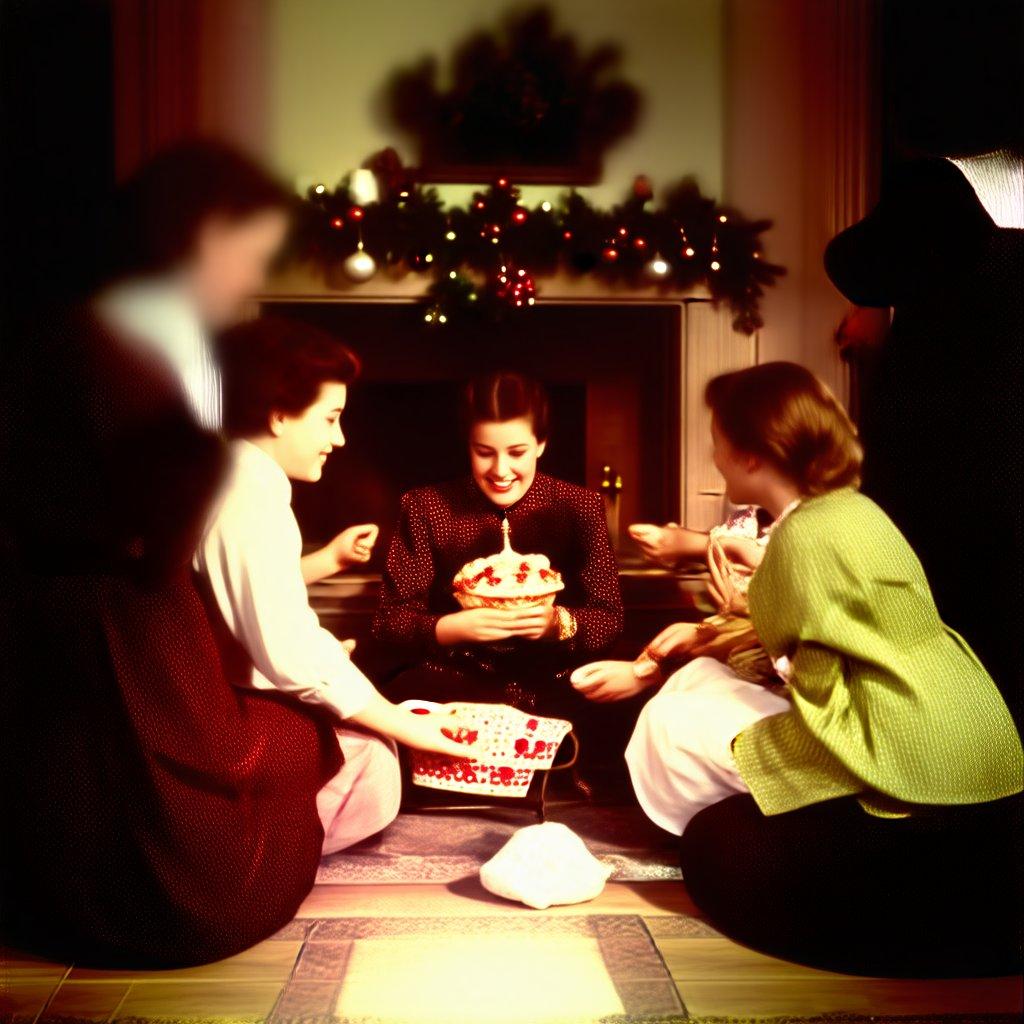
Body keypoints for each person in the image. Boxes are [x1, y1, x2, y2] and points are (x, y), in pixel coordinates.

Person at [0, 141, 343, 967]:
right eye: (248, 256)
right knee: (289, 751)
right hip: (122, 621)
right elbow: (144, 520)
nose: (249, 282)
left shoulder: (103, 335)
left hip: (97, 614)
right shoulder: (121, 347)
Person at [619, 361, 1023, 975]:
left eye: (719, 443)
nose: (714, 456)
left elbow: (811, 683)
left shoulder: (798, 541)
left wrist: (777, 766)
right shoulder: (855, 511)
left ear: (753, 456)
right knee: (701, 697)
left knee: (710, 834)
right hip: (973, 728)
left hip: (899, 748)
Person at [199, 316, 472, 851]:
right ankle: (253, 847)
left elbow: (250, 602)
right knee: (374, 752)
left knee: (364, 723)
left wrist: (326, 574)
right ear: (279, 416)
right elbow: (288, 652)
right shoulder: (249, 495)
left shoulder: (236, 475)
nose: (339, 439)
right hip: (211, 718)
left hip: (218, 688)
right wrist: (400, 723)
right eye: (330, 419)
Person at [373, 371, 623, 723]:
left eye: (517, 452)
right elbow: (388, 623)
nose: (500, 470)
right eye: (484, 452)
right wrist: (452, 628)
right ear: (468, 445)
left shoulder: (579, 506)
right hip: (450, 686)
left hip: (554, 686)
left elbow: (610, 618)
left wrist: (558, 625)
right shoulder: (426, 506)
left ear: (541, 444)